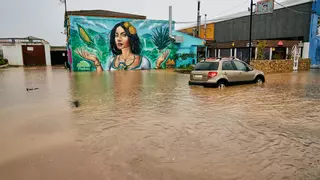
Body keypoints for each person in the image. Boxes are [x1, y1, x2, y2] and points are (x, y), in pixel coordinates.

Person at [76, 21, 169, 72]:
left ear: (131, 38)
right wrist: (96, 62)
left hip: (134, 103)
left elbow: (149, 83)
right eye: (116, 35)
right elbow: (103, 82)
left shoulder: (143, 62)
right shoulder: (111, 61)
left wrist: (158, 65)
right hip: (117, 102)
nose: (118, 39)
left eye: (123, 35)